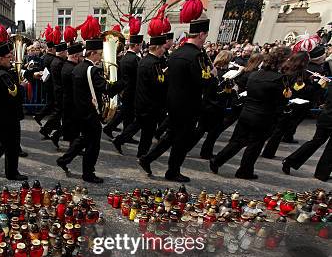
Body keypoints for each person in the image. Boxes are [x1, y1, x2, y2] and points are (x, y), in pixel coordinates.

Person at [138, 18, 214, 182]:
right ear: (201, 34)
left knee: (171, 135)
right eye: (205, 36)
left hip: (173, 102)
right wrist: (212, 75)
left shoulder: (177, 53)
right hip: (188, 104)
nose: (205, 39)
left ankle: (148, 158)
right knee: (181, 140)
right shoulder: (196, 56)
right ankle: (172, 171)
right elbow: (203, 81)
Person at [56, 15, 125, 183]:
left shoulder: (79, 67)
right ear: (92, 52)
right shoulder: (91, 70)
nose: (101, 57)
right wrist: (124, 82)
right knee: (93, 146)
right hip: (89, 113)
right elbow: (108, 90)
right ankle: (88, 173)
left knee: (83, 140)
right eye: (100, 54)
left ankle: (64, 160)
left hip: (80, 112)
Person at [210, 47, 290, 179]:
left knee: (237, 141)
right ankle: (244, 171)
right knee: (254, 145)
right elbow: (280, 101)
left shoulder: (254, 74)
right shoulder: (280, 79)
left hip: (247, 112)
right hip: (263, 115)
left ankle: (218, 160)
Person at [0, 19, 29, 180]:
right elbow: (15, 93)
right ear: (0, 58)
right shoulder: (1, 74)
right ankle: (12, 173)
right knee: (12, 145)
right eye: (9, 56)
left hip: (3, 114)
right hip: (7, 116)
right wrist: (22, 85)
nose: (11, 58)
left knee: (4, 142)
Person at [115, 34, 167, 158]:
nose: (164, 50)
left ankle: (120, 140)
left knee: (137, 125)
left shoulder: (146, 60)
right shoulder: (152, 63)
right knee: (147, 132)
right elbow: (157, 83)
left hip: (143, 101)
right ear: (158, 47)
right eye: (163, 47)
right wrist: (166, 77)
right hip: (149, 102)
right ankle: (142, 154)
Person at [282, 75, 331, 182]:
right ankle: (322, 173)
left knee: (316, 141)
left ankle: (289, 161)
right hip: (328, 116)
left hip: (326, 116)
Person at [106, 33, 142, 142]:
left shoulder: (124, 57)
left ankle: (114, 130)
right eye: (139, 45)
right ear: (135, 45)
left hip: (124, 88)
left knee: (125, 113)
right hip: (131, 89)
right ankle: (111, 129)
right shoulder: (135, 59)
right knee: (127, 113)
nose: (140, 47)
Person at [39, 36, 67, 148]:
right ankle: (48, 130)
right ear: (63, 52)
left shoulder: (56, 61)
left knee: (58, 112)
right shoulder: (59, 62)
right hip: (60, 91)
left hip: (57, 89)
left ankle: (46, 130)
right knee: (59, 112)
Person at [60, 41, 84, 145]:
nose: (82, 59)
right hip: (72, 100)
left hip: (68, 99)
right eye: (81, 56)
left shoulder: (67, 65)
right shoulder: (72, 69)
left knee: (69, 123)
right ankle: (73, 145)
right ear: (75, 56)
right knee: (73, 124)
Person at [34, 31, 56, 125]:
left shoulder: (43, 57)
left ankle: (52, 124)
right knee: (52, 103)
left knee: (52, 103)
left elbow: (40, 69)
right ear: (52, 49)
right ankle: (39, 116)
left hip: (45, 82)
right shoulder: (52, 59)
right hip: (52, 83)